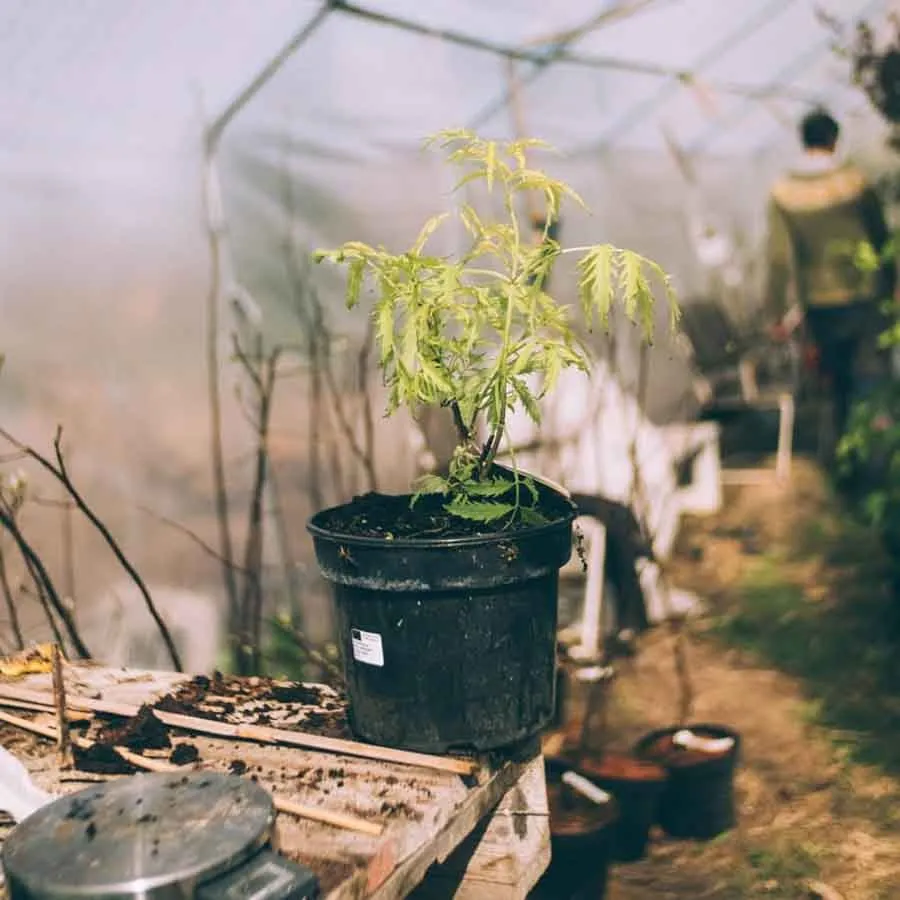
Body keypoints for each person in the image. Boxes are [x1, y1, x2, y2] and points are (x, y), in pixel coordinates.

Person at [765, 107, 895, 448]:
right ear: (834, 140)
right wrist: (894, 281)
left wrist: (776, 311)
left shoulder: (783, 191)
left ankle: (843, 456)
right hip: (866, 294)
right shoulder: (854, 180)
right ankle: (875, 454)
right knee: (871, 375)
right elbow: (881, 237)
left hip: (820, 302)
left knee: (835, 382)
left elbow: (779, 258)